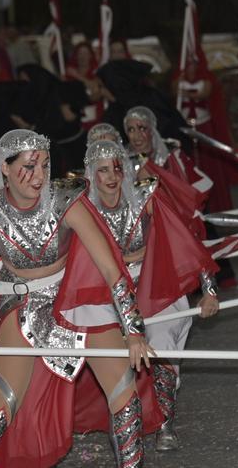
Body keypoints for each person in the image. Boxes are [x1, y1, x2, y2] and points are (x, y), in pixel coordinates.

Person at [0, 129, 154, 466]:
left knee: (125, 392)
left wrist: (134, 331)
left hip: (75, 300)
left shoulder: (65, 201)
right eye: (29, 167)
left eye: (44, 166)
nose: (39, 177)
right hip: (20, 304)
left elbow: (111, 271)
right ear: (4, 168)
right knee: (2, 401)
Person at [82, 139, 219, 451]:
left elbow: (184, 243)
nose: (111, 176)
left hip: (156, 284)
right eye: (102, 170)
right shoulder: (82, 208)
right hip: (107, 291)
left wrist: (208, 291)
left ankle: (165, 422)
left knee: (161, 349)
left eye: (117, 167)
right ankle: (120, 420)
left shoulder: (147, 198)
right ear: (91, 174)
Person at [172, 55, 238, 211]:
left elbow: (203, 93)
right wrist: (180, 81)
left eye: (194, 64)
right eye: (188, 64)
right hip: (185, 127)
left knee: (208, 165)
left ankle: (215, 203)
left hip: (203, 125)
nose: (191, 68)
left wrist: (185, 91)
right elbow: (174, 89)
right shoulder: (179, 78)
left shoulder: (207, 78)